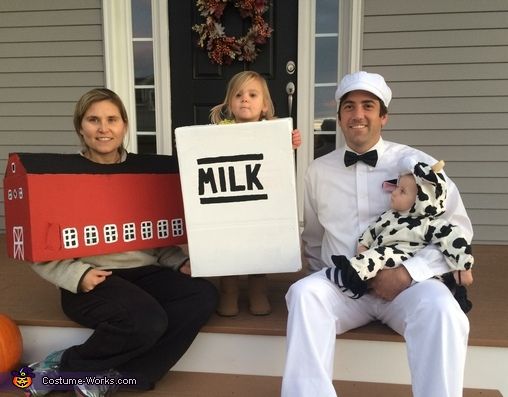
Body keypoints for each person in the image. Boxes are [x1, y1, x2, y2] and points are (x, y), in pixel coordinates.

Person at [281, 71, 474, 397]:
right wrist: (324, 279)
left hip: (405, 286)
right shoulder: (317, 171)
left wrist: (408, 273)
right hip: (346, 284)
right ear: (340, 117)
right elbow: (314, 237)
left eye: (368, 106)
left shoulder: (418, 165)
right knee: (304, 295)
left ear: (383, 116)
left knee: (442, 309)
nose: (358, 115)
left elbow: (457, 228)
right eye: (349, 107)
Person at [26, 88, 219, 397]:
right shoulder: (58, 176)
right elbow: (39, 243)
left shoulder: (145, 174)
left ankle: (123, 375)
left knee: (203, 295)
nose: (104, 129)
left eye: (112, 119)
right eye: (93, 120)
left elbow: (153, 233)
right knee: (147, 320)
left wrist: (177, 261)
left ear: (125, 125)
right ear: (80, 127)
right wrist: (75, 275)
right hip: (91, 278)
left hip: (145, 273)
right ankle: (62, 367)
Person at [209, 70, 302, 316]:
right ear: (230, 103)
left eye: (252, 95)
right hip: (229, 202)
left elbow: (277, 161)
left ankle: (258, 292)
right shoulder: (220, 130)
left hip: (259, 203)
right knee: (229, 248)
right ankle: (228, 293)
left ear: (264, 105)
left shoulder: (271, 130)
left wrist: (289, 143)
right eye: (238, 95)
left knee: (257, 248)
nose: (245, 99)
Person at [327, 158, 474, 310]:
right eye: (396, 187)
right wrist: (363, 246)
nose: (394, 193)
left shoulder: (429, 224)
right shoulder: (389, 216)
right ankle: (356, 276)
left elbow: (453, 240)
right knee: (377, 255)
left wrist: (464, 267)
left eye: (402, 191)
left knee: (379, 255)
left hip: (404, 257)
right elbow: (372, 230)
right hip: (382, 259)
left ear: (420, 201)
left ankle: (349, 278)